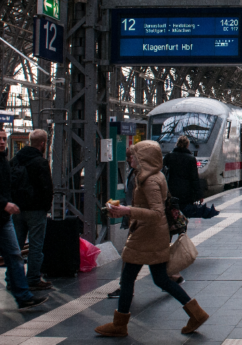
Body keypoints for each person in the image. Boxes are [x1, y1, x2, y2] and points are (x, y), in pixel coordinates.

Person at [97, 140, 208, 337]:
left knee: (129, 278)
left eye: (135, 155)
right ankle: (196, 313)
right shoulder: (155, 176)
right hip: (152, 234)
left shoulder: (149, 181)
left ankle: (120, 324)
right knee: (161, 279)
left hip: (146, 235)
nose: (131, 158)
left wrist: (127, 210)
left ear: (145, 159)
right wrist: (126, 212)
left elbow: (156, 212)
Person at [0, 125, 47, 309]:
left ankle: (23, 296)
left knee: (15, 255)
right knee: (21, 251)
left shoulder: (7, 161)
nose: (1, 142)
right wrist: (5, 203)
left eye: (3, 139)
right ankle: (24, 291)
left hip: (3, 218)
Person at [8, 129, 54, 291]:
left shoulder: (15, 160)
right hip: (36, 210)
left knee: (15, 246)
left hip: (17, 209)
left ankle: (12, 277)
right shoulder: (40, 162)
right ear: (43, 143)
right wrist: (46, 207)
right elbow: (47, 188)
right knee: (36, 245)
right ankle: (33, 278)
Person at [108, 145, 137, 299]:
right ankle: (125, 289)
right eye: (127, 157)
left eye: (130, 156)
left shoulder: (140, 176)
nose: (127, 159)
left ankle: (125, 289)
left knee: (129, 258)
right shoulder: (132, 172)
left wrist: (127, 209)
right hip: (135, 221)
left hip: (139, 223)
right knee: (129, 259)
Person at [163, 136, 202, 211]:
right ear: (187, 145)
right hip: (186, 192)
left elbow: (163, 172)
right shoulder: (191, 159)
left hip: (171, 190)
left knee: (172, 212)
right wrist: (199, 195)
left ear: (177, 144)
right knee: (184, 212)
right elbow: (195, 178)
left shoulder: (169, 157)